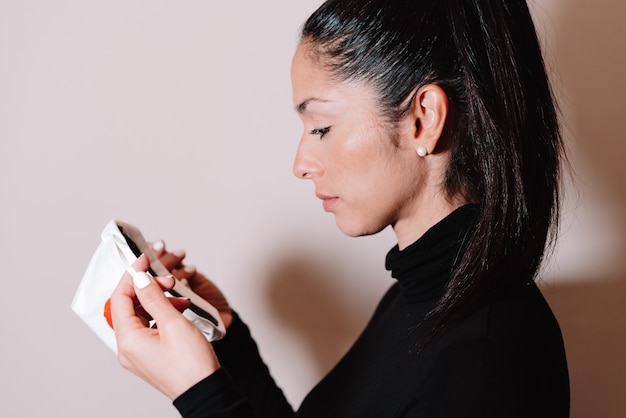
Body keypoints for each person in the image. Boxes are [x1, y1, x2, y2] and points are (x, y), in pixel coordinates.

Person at [109, 0, 570, 416]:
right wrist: (228, 346)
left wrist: (200, 393)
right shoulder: (417, 300)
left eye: (322, 127)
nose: (300, 164)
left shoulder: (489, 360)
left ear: (422, 120)